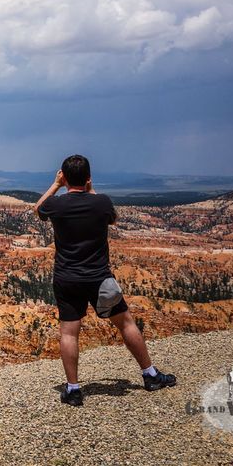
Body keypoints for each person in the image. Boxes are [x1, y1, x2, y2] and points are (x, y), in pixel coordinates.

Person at [34, 154, 176, 407]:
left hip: (67, 278)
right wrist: (91, 189)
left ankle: (74, 389)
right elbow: (113, 218)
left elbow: (38, 209)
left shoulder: (57, 205)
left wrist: (56, 185)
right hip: (100, 278)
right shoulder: (102, 202)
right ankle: (150, 375)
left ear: (64, 177)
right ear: (88, 179)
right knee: (126, 324)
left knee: (69, 333)